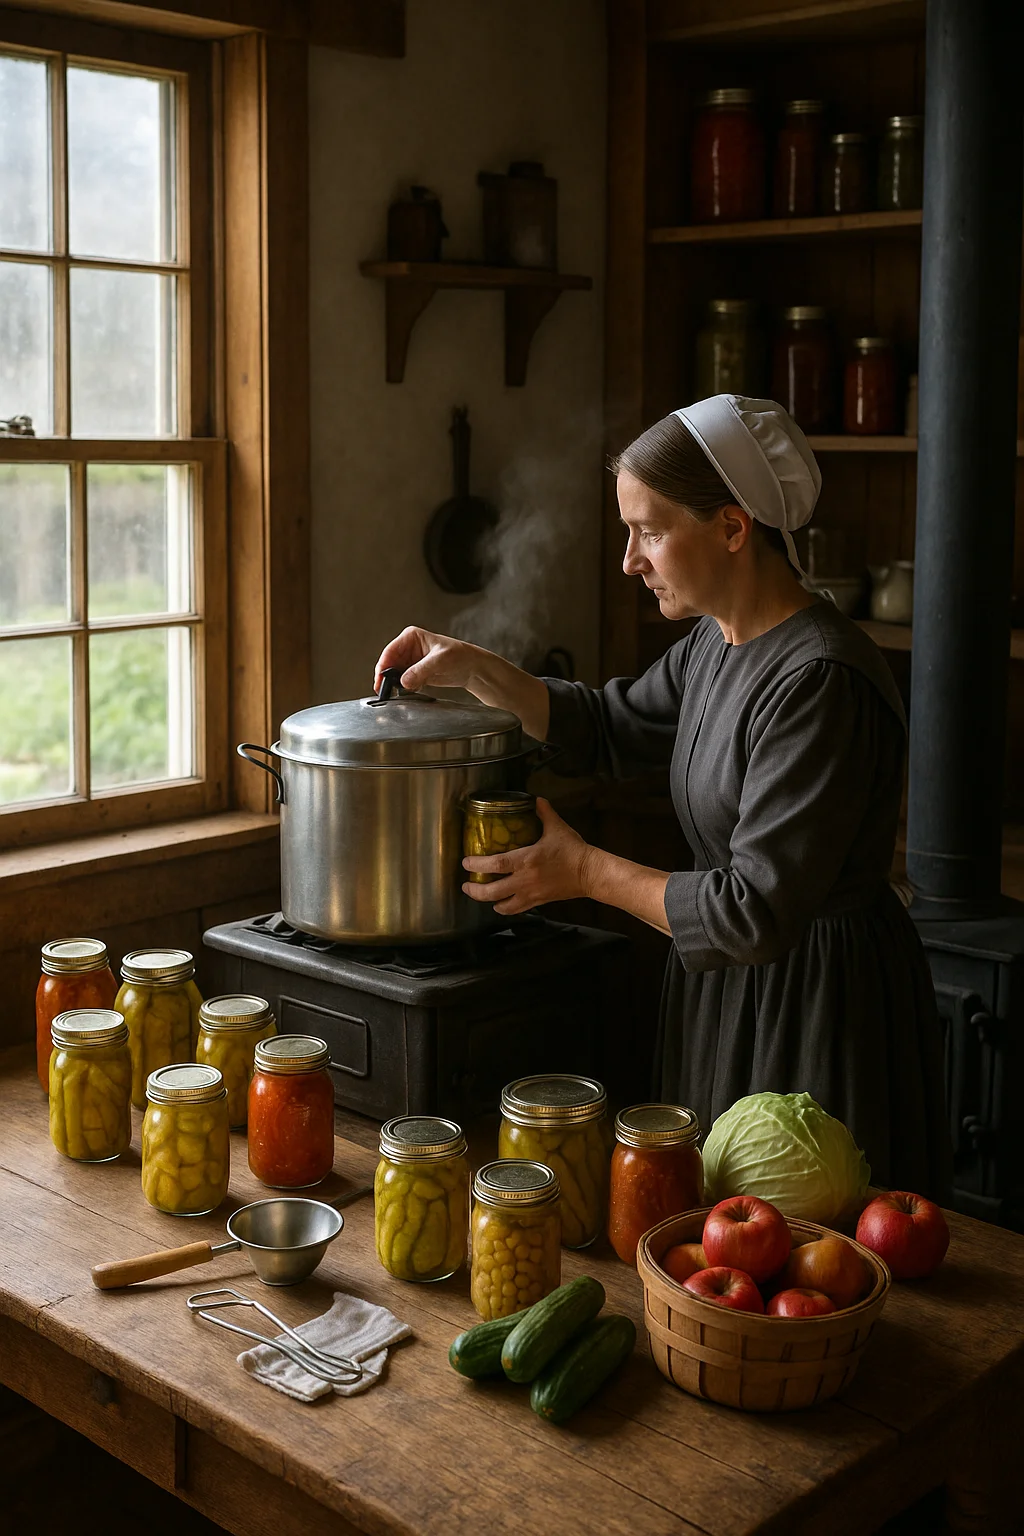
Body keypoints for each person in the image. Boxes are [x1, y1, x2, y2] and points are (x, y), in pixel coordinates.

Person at [376, 395, 952, 1198]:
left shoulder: (820, 680)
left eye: (648, 531)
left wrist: (584, 871)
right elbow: (608, 725)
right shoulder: (715, 643)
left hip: (817, 1000)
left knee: (812, 1238)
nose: (629, 561)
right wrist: (473, 666)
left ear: (732, 527)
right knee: (722, 1232)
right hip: (730, 985)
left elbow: (752, 910)